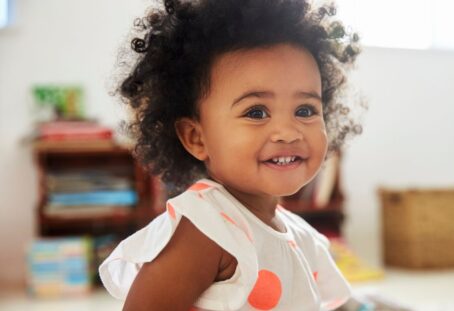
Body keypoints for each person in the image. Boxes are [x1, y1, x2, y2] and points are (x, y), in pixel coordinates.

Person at [99, 0, 362, 310]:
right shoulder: (206, 229)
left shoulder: (303, 236)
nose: (288, 132)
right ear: (196, 137)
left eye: (305, 110)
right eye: (256, 112)